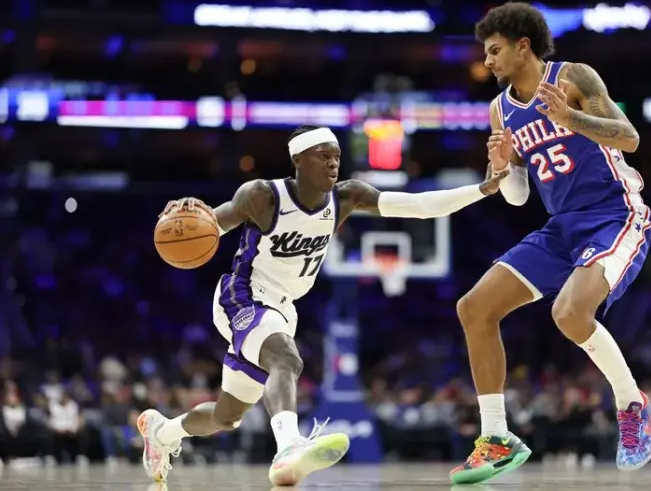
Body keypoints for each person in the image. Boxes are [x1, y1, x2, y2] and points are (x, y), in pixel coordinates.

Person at [138, 125, 508, 485]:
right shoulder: (263, 196)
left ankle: (163, 433)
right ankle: (288, 448)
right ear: (299, 160)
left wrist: (481, 189)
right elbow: (209, 225)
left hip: (283, 308)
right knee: (287, 358)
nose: (333, 164)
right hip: (243, 295)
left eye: (336, 157)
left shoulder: (347, 197)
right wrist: (186, 215)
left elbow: (419, 206)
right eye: (323, 156)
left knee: (226, 416)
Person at [451, 2, 651, 485]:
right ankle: (497, 437)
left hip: (614, 215)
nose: (489, 61)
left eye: (496, 50)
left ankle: (633, 405)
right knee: (474, 308)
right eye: (486, 52)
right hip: (561, 226)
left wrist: (572, 118)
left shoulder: (573, 77)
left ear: (524, 45)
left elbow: (628, 139)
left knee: (568, 314)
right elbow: (520, 197)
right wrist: (502, 168)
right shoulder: (500, 108)